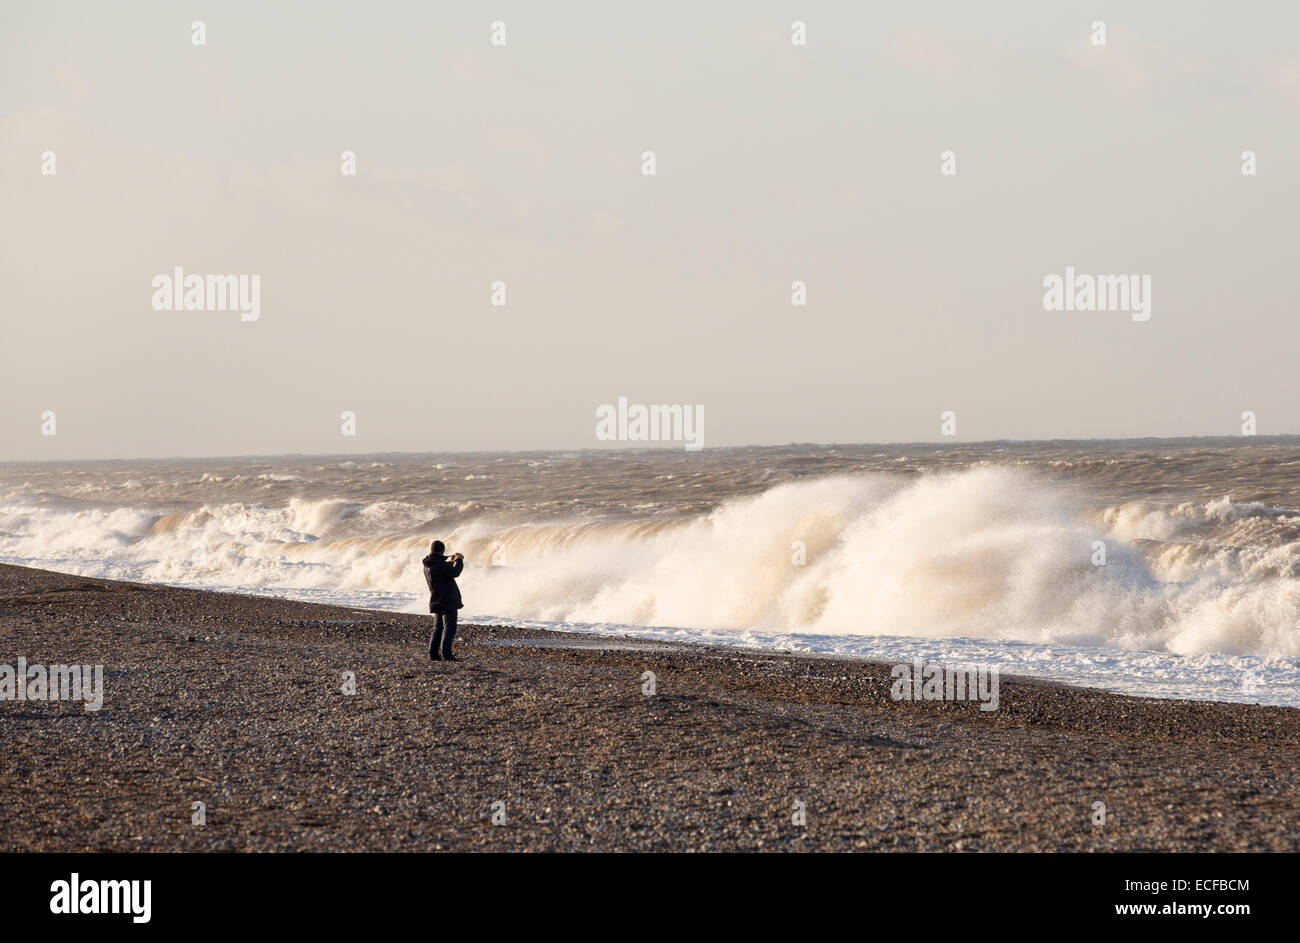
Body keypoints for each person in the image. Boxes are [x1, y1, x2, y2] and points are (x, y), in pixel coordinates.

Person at [422, 540, 464, 661]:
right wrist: (459, 560)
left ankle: (433, 654)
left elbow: (443, 571)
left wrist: (450, 561)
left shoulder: (428, 564)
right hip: (448, 600)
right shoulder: (439, 564)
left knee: (438, 629)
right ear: (442, 550)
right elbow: (455, 572)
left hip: (436, 599)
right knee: (449, 628)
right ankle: (447, 654)